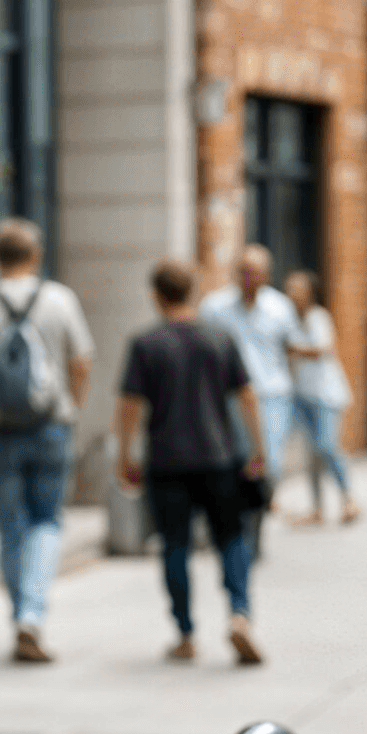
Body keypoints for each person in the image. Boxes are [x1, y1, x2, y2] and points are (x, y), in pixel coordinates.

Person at [116, 263, 264, 665]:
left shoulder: (146, 344)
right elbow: (247, 396)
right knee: (231, 537)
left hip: (167, 461)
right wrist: (258, 448)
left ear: (156, 295)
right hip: (219, 456)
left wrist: (126, 454)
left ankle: (185, 633)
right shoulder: (220, 338)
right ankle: (239, 613)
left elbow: (130, 404)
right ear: (192, 291)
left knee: (174, 545)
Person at [0, 218, 94, 665]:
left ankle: (18, 613)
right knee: (46, 520)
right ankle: (32, 614)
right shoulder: (59, 300)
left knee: (10, 527)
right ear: (36, 255)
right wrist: (72, 406)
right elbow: (82, 360)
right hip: (50, 426)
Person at [199, 246, 296, 551]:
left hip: (271, 396)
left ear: (267, 275)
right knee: (237, 462)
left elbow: (290, 349)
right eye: (243, 272)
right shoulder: (215, 307)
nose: (249, 278)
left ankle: (254, 521)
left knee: (271, 464)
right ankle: (239, 529)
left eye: (255, 273)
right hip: (230, 398)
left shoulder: (280, 307)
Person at [280, 269, 360, 524]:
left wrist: (291, 349)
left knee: (327, 445)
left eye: (299, 289)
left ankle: (348, 498)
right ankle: (317, 508)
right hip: (301, 395)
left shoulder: (319, 316)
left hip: (326, 394)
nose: (294, 294)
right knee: (311, 454)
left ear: (310, 292)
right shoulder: (286, 320)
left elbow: (322, 350)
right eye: (290, 289)